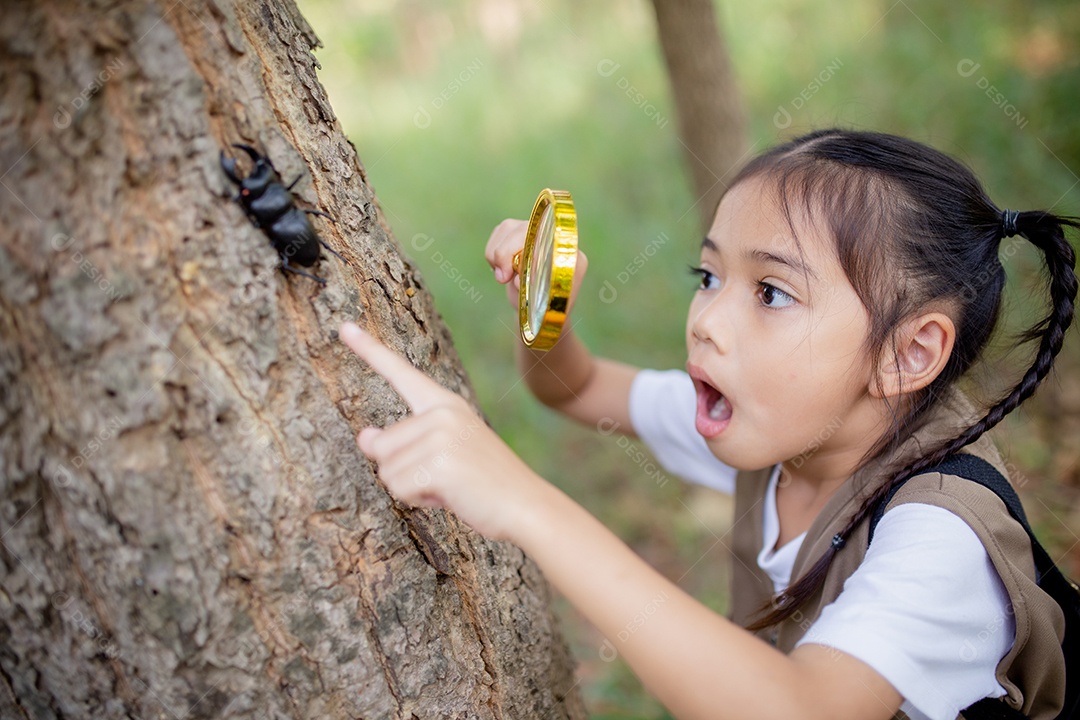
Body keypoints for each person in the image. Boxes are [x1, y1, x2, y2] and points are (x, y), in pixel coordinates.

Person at [339, 129, 1076, 720]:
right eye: (709, 277)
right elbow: (577, 388)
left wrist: (524, 503)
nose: (707, 321)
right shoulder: (778, 424)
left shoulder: (940, 535)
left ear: (906, 353)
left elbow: (802, 708)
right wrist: (542, 307)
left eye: (772, 292)